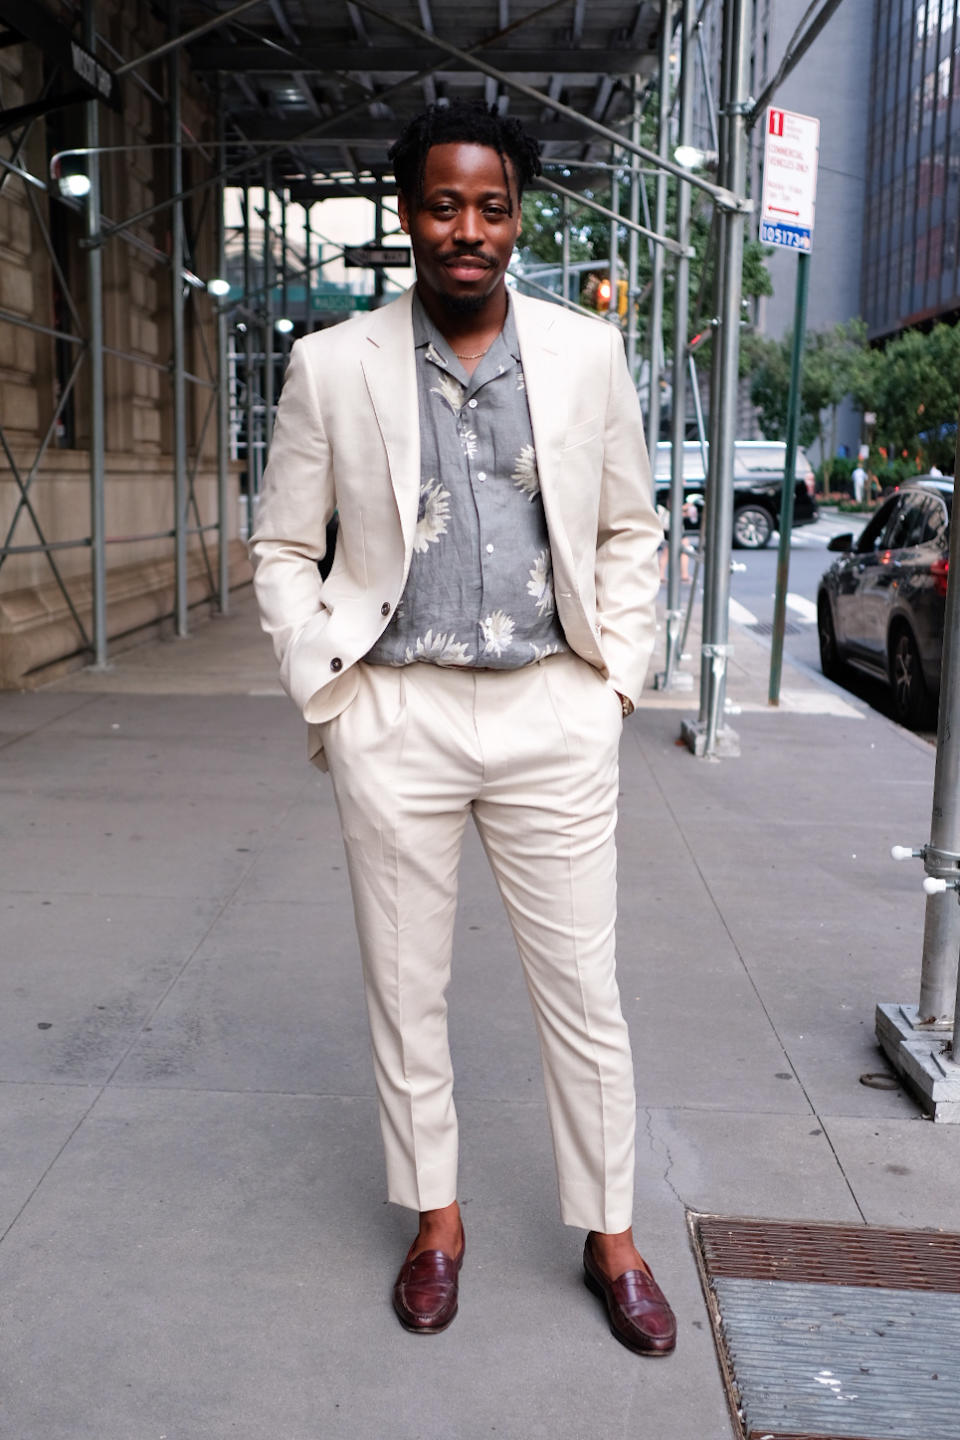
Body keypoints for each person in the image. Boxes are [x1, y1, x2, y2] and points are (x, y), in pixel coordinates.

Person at [248, 100, 672, 1356]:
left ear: (518, 217)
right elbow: (281, 544)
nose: (467, 229)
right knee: (405, 987)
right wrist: (330, 687)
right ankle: (437, 1224)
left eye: (490, 206)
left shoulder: (587, 356)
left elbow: (632, 532)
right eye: (444, 204)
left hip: (553, 705)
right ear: (408, 216)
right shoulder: (334, 365)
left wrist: (614, 689)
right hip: (400, 709)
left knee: (585, 993)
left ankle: (614, 1238)